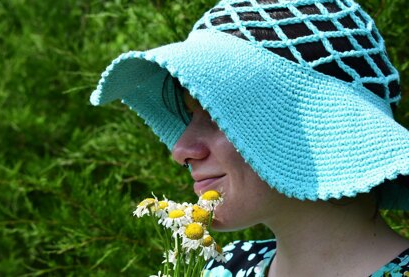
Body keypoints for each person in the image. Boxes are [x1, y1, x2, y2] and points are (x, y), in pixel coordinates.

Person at [90, 0, 409, 276]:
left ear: (312, 126)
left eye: (216, 115)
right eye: (190, 115)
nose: (181, 150)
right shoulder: (222, 268)